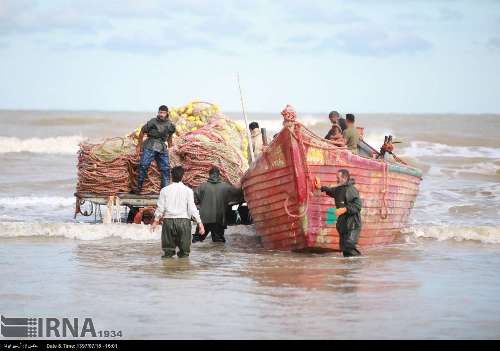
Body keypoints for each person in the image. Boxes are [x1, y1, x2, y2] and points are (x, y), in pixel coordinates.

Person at [151, 166, 205, 258]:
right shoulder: (188, 191)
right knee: (184, 253)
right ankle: (182, 270)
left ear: (171, 176)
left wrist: (155, 222)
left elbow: (160, 208)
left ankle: (167, 270)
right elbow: (192, 208)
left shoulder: (164, 190)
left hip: (168, 222)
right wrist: (200, 223)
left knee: (168, 253)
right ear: (182, 176)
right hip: (184, 222)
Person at [132, 105, 177, 194]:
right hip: (150, 144)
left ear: (167, 113)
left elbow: (170, 137)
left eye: (163, 113)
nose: (161, 114)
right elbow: (142, 131)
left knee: (166, 168)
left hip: (162, 146)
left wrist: (171, 148)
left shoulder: (170, 125)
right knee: (144, 164)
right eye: (160, 112)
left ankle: (165, 191)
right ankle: (138, 188)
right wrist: (138, 145)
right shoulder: (153, 122)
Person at [192, 166, 243, 243]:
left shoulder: (201, 187)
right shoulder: (226, 186)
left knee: (197, 241)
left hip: (204, 219)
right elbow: (238, 195)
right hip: (219, 219)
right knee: (218, 244)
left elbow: (194, 200)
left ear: (209, 175)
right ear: (219, 175)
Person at [320, 169, 362, 257]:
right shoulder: (339, 189)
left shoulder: (351, 190)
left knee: (349, 246)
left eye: (338, 178)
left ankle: (357, 267)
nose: (336, 179)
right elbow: (331, 191)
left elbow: (358, 206)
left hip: (352, 224)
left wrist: (345, 209)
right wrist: (320, 187)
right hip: (342, 224)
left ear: (345, 178)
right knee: (344, 249)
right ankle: (348, 269)